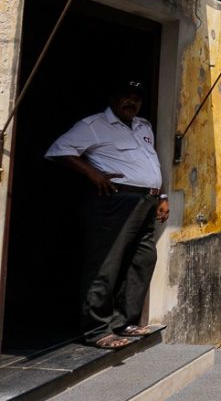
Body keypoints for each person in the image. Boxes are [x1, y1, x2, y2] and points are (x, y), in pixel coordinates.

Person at [45, 79, 170, 349]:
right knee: (105, 264)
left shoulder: (143, 126)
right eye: (126, 96)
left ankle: (125, 321)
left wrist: (161, 196)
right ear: (113, 98)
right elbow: (59, 150)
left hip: (146, 200)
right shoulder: (93, 126)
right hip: (115, 201)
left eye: (136, 97)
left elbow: (152, 160)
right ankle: (97, 329)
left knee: (143, 260)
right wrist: (93, 174)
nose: (131, 102)